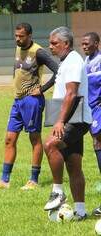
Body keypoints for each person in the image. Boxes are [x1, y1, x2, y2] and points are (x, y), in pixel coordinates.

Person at [0, 23, 58, 190]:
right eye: (16, 36)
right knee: (9, 139)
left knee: (34, 139)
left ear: (29, 35)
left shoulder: (38, 52)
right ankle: (4, 180)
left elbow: (58, 70)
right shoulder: (18, 48)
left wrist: (42, 89)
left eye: (21, 36)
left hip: (32, 101)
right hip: (17, 101)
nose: (18, 39)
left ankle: (33, 180)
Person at [43, 27, 92, 221]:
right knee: (73, 164)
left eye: (54, 43)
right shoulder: (66, 61)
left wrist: (60, 120)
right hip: (70, 115)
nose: (51, 46)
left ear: (66, 44)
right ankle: (80, 211)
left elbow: (71, 93)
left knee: (50, 145)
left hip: (75, 117)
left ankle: (57, 191)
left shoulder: (73, 61)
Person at [81, 32, 101, 218]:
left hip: (99, 108)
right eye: (82, 44)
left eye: (87, 43)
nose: (84, 46)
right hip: (90, 109)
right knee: (97, 143)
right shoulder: (86, 62)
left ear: (97, 43)